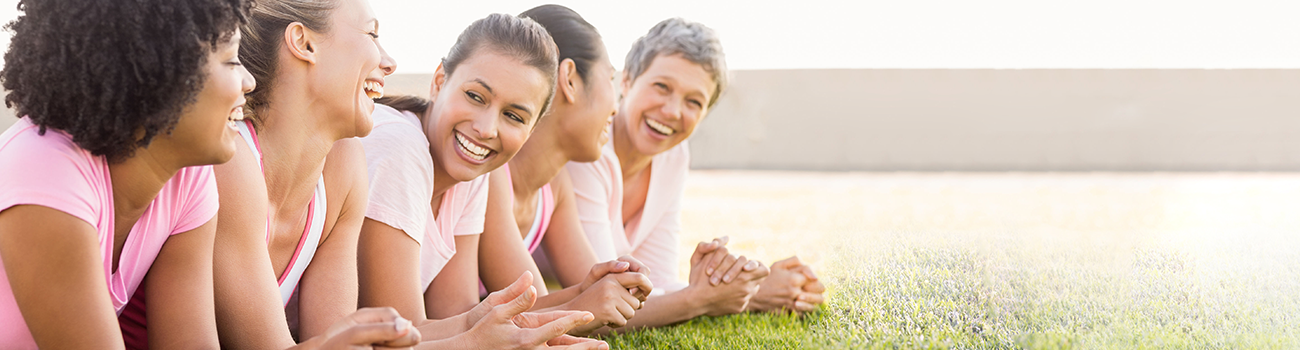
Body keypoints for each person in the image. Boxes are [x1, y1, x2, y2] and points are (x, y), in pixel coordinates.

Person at [357, 13, 606, 349]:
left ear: (531, 130)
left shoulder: (470, 174)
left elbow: (456, 313)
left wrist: (556, 314)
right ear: (440, 79)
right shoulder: (400, 148)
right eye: (476, 96)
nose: (487, 129)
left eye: (514, 116)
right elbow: (400, 337)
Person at [564, 18, 826, 329]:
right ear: (627, 81)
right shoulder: (589, 150)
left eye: (694, 102)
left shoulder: (672, 157)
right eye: (662, 87)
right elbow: (602, 304)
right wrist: (743, 298)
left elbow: (656, 284)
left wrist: (741, 286)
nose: (673, 111)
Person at [476, 4, 657, 336]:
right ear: (570, 79)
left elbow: (586, 290)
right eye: (611, 79)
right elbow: (534, 319)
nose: (616, 107)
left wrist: (619, 285)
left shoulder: (555, 187)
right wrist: (697, 298)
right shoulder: (490, 175)